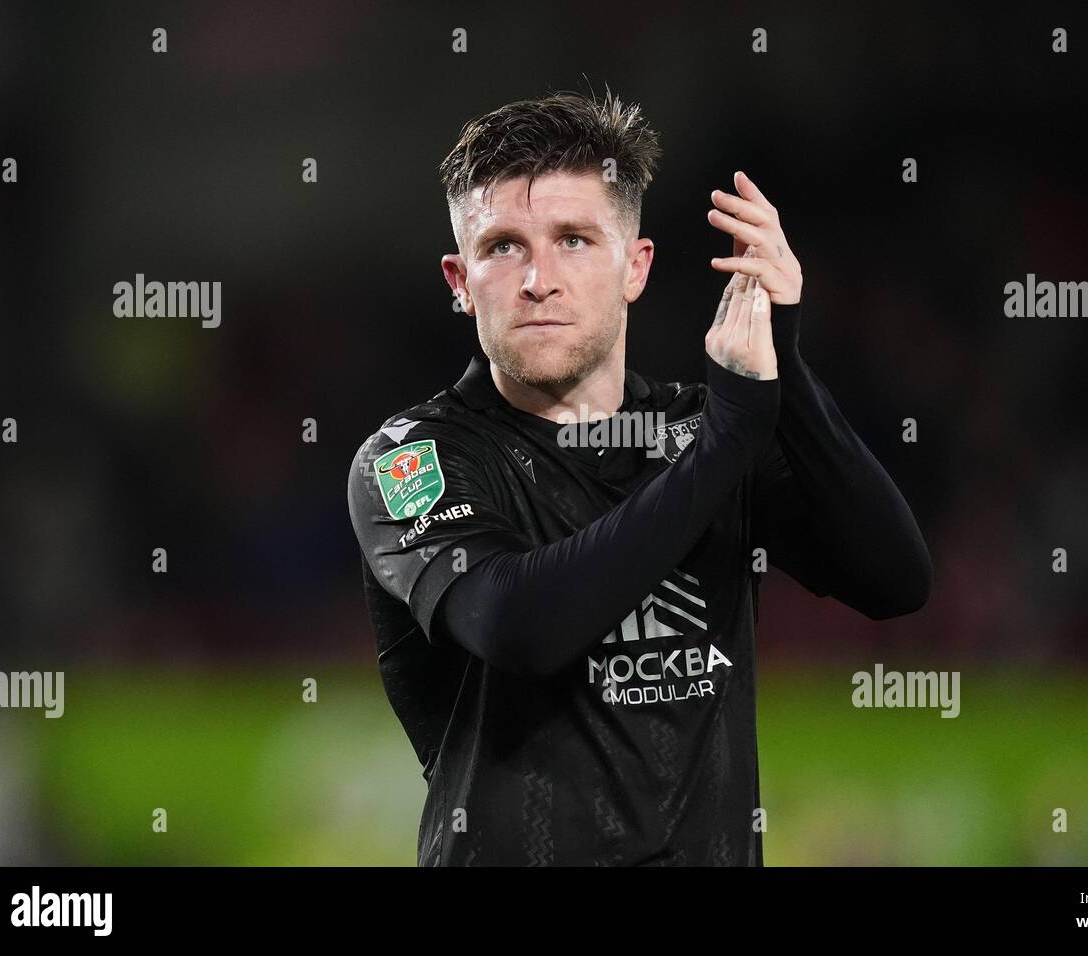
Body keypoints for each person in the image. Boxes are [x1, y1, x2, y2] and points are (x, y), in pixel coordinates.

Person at [347, 89, 932, 866]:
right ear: (460, 280)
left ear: (636, 266)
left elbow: (894, 579)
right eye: (503, 247)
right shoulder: (412, 458)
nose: (539, 279)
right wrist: (729, 439)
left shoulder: (702, 431)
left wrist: (785, 364)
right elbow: (518, 627)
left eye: (575, 240)